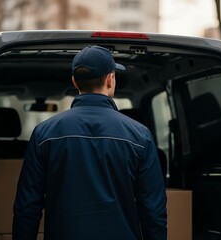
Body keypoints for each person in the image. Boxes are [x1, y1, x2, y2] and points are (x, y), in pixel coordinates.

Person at [13, 45, 167, 240]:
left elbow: (27, 208)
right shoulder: (140, 136)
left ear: (75, 82)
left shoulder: (44, 135)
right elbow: (153, 210)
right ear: (111, 80)